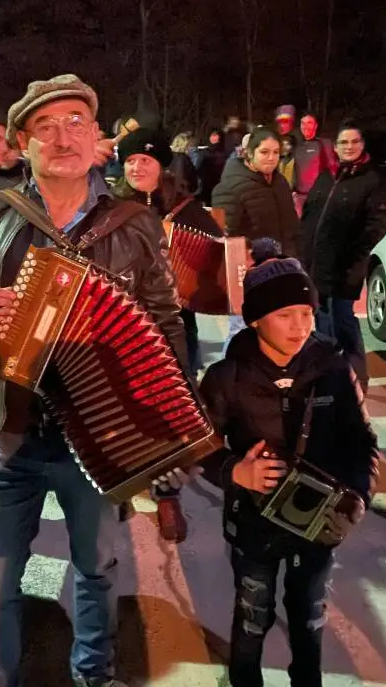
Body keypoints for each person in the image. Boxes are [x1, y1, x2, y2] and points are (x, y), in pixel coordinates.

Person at [0, 74, 185, 687]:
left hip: (97, 438)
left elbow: (166, 320)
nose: (62, 137)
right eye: (45, 126)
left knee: (98, 571)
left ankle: (93, 675)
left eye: (75, 123)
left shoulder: (134, 223)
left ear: (96, 137)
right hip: (7, 433)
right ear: (23, 143)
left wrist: (169, 414)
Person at [197, 239, 377, 687]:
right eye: (284, 315)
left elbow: (362, 442)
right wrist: (234, 471)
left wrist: (358, 495)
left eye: (306, 313)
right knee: (252, 613)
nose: (299, 327)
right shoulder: (227, 378)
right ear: (256, 319)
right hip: (254, 524)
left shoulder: (334, 370)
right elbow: (197, 446)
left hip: (317, 525)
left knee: (309, 613)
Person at [112, 126, 222, 543]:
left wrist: (200, 281)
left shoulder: (183, 208)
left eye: (146, 160)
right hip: (120, 322)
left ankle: (167, 492)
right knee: (119, 406)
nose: (137, 167)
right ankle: (119, 483)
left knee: (169, 408)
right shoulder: (109, 207)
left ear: (161, 166)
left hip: (173, 324)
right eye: (130, 161)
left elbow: (215, 253)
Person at [299, 121, 386, 390]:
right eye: (343, 142)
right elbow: (309, 215)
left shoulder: (371, 180)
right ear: (336, 147)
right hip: (316, 264)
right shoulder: (327, 175)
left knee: (344, 322)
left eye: (354, 142)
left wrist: (353, 257)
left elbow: (376, 227)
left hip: (345, 267)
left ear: (363, 145)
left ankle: (357, 378)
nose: (349, 147)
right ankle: (329, 376)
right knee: (321, 322)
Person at [211, 128, 299, 257]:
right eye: (264, 152)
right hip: (253, 264)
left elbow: (292, 226)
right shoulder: (230, 187)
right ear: (250, 153)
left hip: (285, 262)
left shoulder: (280, 182)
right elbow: (225, 240)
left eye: (276, 152)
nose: (271, 158)